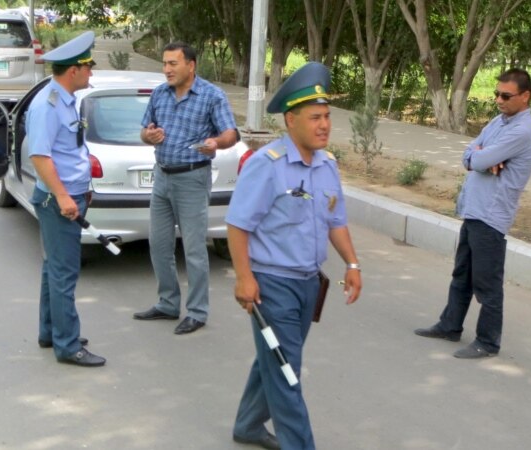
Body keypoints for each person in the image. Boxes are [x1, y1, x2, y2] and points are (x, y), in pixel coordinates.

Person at [226, 62, 362, 450]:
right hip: (272, 285)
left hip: (307, 284)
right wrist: (243, 278)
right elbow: (238, 224)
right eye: (315, 117)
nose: (324, 125)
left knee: (275, 357)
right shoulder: (266, 166)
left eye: (327, 117)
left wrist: (352, 264)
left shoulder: (327, 165)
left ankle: (249, 424)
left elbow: (336, 220)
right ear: (291, 121)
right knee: (287, 370)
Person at [414, 68, 531, 359]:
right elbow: (471, 154)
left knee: (487, 283)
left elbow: (480, 156)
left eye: (506, 95)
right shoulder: (500, 121)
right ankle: (450, 326)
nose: (498, 100)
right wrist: (482, 158)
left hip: (491, 215)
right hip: (475, 209)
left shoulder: (523, 130)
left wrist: (482, 157)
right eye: (496, 93)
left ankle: (488, 342)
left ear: (525, 96)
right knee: (462, 275)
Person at [133, 42, 238, 335]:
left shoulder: (211, 95)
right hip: (162, 177)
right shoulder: (159, 94)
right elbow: (144, 131)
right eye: (164, 63)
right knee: (159, 244)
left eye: (172, 64)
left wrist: (216, 142)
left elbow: (230, 133)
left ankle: (197, 311)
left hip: (192, 178)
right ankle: (167, 303)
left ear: (190, 66)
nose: (166, 69)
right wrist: (149, 136)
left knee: (193, 249)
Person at [27, 31, 105, 367]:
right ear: (73, 70)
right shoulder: (48, 104)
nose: (92, 72)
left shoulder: (66, 100)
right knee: (64, 273)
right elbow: (40, 156)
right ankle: (68, 345)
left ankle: (51, 331)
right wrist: (62, 196)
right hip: (60, 201)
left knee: (53, 270)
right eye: (89, 65)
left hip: (69, 195)